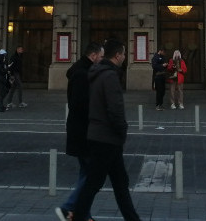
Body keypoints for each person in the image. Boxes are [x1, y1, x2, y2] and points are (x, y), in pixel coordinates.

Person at [64, 39, 143, 221]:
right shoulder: (109, 76)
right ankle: (77, 216)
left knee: (119, 182)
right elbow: (115, 109)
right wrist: (122, 130)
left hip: (99, 135)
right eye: (124, 54)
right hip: (107, 137)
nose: (125, 57)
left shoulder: (95, 73)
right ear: (117, 55)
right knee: (95, 183)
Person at [57, 42, 104, 221]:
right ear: (93, 56)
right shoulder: (82, 75)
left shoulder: (83, 71)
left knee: (87, 173)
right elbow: (80, 105)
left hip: (83, 130)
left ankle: (83, 214)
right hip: (84, 131)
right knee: (92, 174)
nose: (102, 60)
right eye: (101, 57)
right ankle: (69, 207)